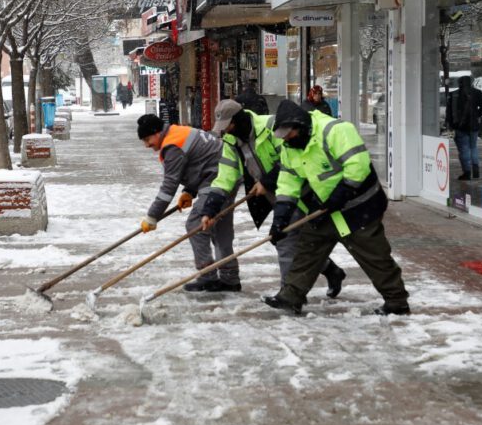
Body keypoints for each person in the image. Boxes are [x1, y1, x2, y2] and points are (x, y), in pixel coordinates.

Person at [263, 100, 410, 316]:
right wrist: (281, 219)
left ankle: (397, 301)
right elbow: (288, 182)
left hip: (359, 207)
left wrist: (342, 194)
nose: (286, 140)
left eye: (289, 134)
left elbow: (357, 165)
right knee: (308, 251)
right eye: (282, 136)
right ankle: (291, 296)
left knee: (375, 256)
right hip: (324, 208)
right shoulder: (290, 147)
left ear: (300, 125)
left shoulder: (336, 131)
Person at [198, 100, 346, 298]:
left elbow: (290, 159)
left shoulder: (272, 126)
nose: (227, 131)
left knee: (285, 239)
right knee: (294, 240)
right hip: (278, 195)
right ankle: (330, 270)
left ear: (239, 119)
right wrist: (210, 210)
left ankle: (289, 294)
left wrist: (266, 181)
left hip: (302, 190)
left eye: (229, 125)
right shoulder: (231, 142)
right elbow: (224, 177)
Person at [137, 114, 241, 291]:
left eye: (148, 139)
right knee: (218, 227)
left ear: (157, 132)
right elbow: (198, 161)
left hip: (218, 178)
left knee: (196, 224)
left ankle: (208, 275)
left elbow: (168, 187)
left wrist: (152, 216)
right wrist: (189, 191)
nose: (147, 145)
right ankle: (229, 278)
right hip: (224, 172)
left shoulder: (172, 146)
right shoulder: (177, 132)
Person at [445, 75, 482, 180]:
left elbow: (449, 112)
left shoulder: (454, 94)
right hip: (473, 126)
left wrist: (450, 124)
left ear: (460, 83)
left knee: (464, 149)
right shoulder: (477, 93)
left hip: (460, 127)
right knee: (473, 147)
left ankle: (467, 172)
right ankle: (475, 170)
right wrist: (477, 114)